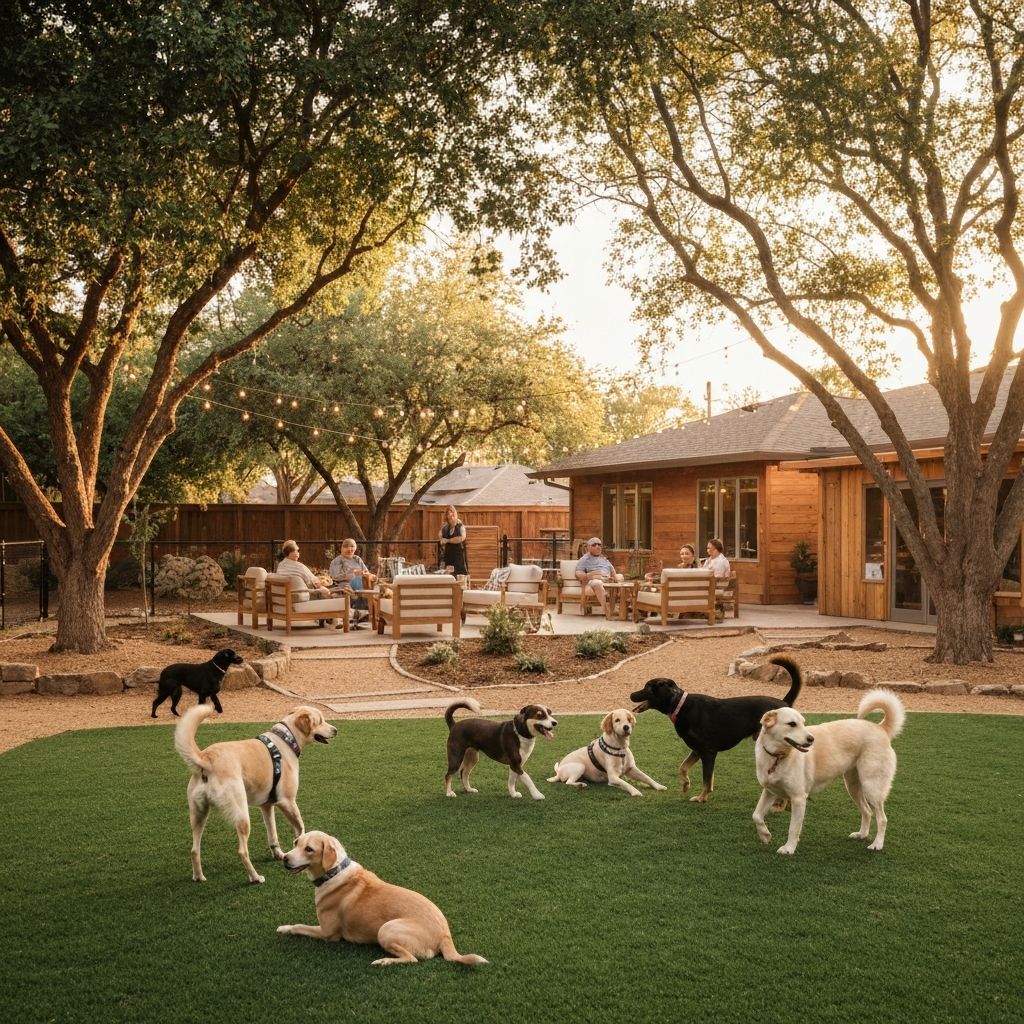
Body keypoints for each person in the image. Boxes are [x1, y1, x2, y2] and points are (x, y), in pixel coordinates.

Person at [328, 539, 375, 628]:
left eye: (352, 546)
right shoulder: (337, 561)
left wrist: (370, 575)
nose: (349, 549)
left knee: (377, 590)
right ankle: (349, 617)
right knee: (345, 590)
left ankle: (366, 616)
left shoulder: (357, 559)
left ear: (355, 547)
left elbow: (366, 571)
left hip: (361, 585)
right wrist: (353, 573)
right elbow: (336, 576)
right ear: (341, 549)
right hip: (344, 584)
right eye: (346, 547)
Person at [575, 537, 619, 615]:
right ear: (588, 547)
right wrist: (589, 575)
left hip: (608, 580)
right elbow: (578, 573)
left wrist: (615, 576)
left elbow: (611, 568)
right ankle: (606, 610)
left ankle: (622, 609)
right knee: (597, 583)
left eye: (599, 545)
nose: (597, 546)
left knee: (621, 578)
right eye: (594, 545)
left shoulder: (603, 558)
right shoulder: (584, 559)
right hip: (593, 582)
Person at [438, 504, 469, 577]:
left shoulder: (460, 526)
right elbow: (440, 535)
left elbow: (462, 538)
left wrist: (447, 540)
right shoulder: (445, 527)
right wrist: (441, 539)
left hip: (459, 557)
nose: (450, 516)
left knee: (460, 578)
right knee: (449, 577)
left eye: (452, 513)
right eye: (448, 514)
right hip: (448, 557)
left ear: (455, 514)